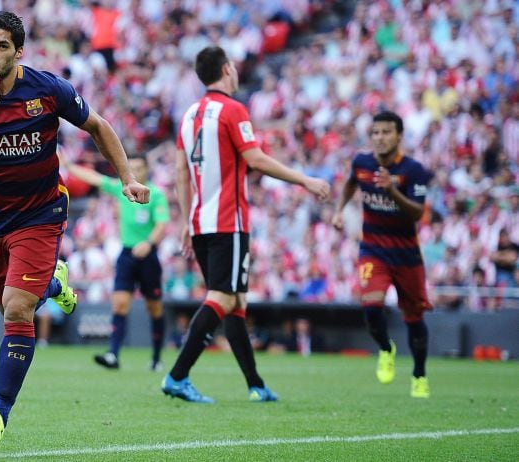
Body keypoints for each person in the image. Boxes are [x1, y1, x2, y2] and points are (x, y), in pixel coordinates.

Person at [0, 11, 149, 452]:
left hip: (41, 213)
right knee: (10, 303)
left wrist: (126, 177)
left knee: (16, 309)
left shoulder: (47, 89)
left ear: (19, 51)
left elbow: (98, 125)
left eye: (1, 46)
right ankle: (54, 283)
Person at [162, 46, 330, 404]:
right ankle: (177, 376)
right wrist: (305, 180)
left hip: (201, 221)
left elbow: (180, 171)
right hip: (228, 221)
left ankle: (255, 384)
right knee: (223, 297)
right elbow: (254, 158)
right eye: (234, 67)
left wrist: (186, 218)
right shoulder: (233, 110)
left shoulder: (190, 114)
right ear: (226, 70)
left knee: (235, 302)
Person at [332, 110, 434, 399]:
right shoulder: (362, 163)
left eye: (386, 132)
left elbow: (417, 212)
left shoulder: (413, 170)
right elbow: (352, 182)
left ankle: (419, 375)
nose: (380, 138)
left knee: (414, 319)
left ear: (399, 136)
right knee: (371, 307)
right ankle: (386, 348)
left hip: (407, 257)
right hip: (373, 251)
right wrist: (339, 211)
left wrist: (392, 190)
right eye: (376, 133)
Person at [61, 153, 169, 371]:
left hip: (148, 256)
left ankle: (156, 358)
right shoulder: (124, 190)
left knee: (154, 308)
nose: (136, 172)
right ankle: (113, 354)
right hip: (127, 255)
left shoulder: (156, 195)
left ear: (147, 169)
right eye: (133, 167)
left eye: (139, 167)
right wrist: (69, 165)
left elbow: (161, 225)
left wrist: (148, 243)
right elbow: (95, 178)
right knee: (119, 304)